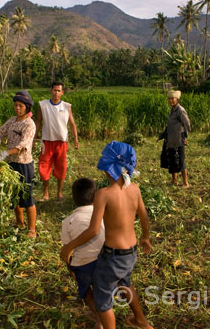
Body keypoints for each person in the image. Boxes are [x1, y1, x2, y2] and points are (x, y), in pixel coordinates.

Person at [60, 141, 153, 329]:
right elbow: (144, 216)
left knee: (103, 299)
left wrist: (69, 247)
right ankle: (141, 320)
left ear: (108, 168)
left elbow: (93, 231)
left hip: (113, 256)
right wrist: (145, 237)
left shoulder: (103, 194)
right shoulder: (135, 189)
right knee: (125, 283)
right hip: (131, 254)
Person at [0, 89, 37, 238]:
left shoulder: (29, 124)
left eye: (20, 106)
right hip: (11, 164)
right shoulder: (12, 120)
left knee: (27, 197)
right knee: (14, 196)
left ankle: (32, 229)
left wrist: (5, 153)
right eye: (16, 105)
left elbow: (23, 146)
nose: (17, 108)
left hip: (23, 164)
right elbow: (2, 130)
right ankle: (19, 223)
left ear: (27, 107)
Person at [61, 178, 105, 329]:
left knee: (88, 292)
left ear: (74, 198)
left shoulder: (68, 221)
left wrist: (70, 269)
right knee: (104, 289)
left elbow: (67, 250)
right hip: (106, 260)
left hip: (83, 265)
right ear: (95, 196)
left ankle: (99, 320)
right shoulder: (103, 214)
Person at [35, 81, 79, 201]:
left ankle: (59, 193)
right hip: (47, 141)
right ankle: (46, 193)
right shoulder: (43, 105)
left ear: (62, 93)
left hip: (61, 141)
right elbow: (38, 121)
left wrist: (76, 139)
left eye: (59, 90)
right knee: (43, 167)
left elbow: (72, 123)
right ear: (51, 91)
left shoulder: (66, 106)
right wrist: (34, 137)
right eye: (54, 90)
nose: (56, 93)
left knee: (61, 167)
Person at [158, 90, 191, 187]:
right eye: (169, 99)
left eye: (173, 99)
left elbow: (187, 124)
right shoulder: (173, 110)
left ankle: (185, 183)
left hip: (178, 139)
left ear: (177, 99)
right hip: (170, 139)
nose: (170, 100)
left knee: (180, 160)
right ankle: (174, 180)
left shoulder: (180, 110)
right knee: (171, 159)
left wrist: (185, 136)